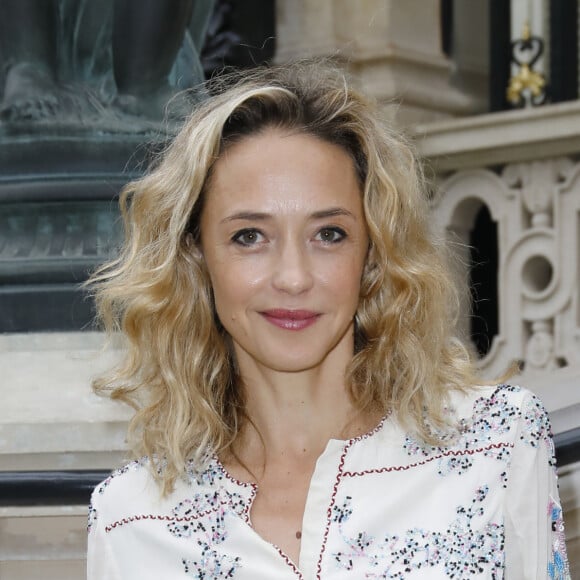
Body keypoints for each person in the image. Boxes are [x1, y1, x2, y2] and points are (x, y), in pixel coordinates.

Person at [86, 60, 570, 579]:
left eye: (329, 234)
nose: (293, 277)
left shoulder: (495, 442)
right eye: (249, 236)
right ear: (197, 259)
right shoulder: (131, 518)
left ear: (373, 254)